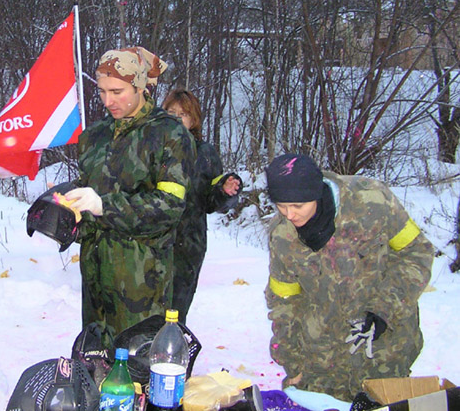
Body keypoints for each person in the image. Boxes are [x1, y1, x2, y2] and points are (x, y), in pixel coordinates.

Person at [264, 153, 434, 401]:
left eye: (298, 206)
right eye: (281, 205)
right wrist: (292, 361)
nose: (289, 215)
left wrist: (383, 309)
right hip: (322, 362)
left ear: (316, 193)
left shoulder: (372, 202)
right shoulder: (282, 235)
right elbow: (284, 301)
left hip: (384, 351)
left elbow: (416, 253)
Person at [64, 47, 196, 348]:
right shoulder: (94, 136)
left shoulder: (169, 134)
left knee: (137, 362)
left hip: (142, 280)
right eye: (102, 91)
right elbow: (88, 198)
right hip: (96, 276)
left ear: (139, 87)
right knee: (94, 359)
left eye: (117, 91)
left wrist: (104, 206)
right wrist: (68, 215)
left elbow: (170, 207)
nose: (107, 101)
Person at [162, 89, 241, 324]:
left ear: (194, 118)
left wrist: (225, 191)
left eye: (183, 114)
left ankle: (173, 343)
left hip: (189, 242)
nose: (177, 119)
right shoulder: (153, 147)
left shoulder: (205, 153)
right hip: (154, 239)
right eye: (172, 113)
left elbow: (211, 202)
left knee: (176, 309)